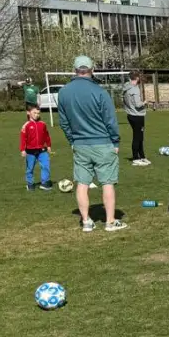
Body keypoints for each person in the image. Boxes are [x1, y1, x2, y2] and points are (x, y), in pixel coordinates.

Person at [56, 55, 126, 232]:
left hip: (80, 144)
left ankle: (86, 221)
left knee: (82, 183)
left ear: (75, 70)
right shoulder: (99, 92)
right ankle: (110, 222)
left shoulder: (63, 92)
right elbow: (110, 120)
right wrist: (115, 140)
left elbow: (64, 122)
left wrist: (72, 140)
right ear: (92, 70)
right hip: (102, 142)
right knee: (107, 182)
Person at [19, 103, 53, 191]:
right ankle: (30, 184)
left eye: (38, 113)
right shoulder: (26, 125)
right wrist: (23, 149)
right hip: (30, 151)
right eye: (34, 113)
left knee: (46, 165)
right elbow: (23, 138)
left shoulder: (42, 124)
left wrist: (48, 145)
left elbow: (47, 136)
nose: (37, 115)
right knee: (30, 168)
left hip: (42, 150)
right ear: (28, 113)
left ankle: (45, 183)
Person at [122, 69, 150, 166]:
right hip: (137, 115)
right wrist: (144, 103)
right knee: (137, 137)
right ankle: (135, 158)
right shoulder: (135, 89)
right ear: (137, 78)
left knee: (139, 136)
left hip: (130, 115)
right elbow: (138, 105)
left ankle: (142, 156)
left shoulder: (126, 87)